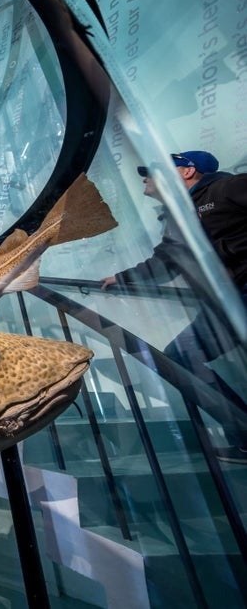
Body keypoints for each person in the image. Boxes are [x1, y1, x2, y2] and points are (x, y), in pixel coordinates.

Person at [102, 151, 247, 459]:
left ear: (186, 172)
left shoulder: (226, 189)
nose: (145, 177)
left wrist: (227, 251)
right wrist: (122, 278)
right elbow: (165, 264)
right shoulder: (177, 218)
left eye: (154, 171)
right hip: (228, 303)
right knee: (181, 355)